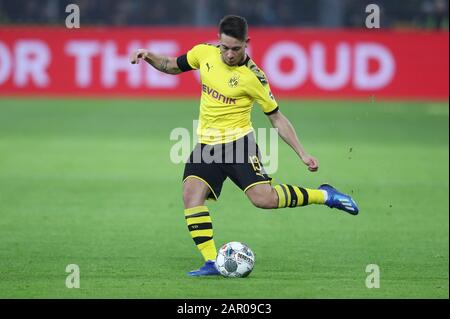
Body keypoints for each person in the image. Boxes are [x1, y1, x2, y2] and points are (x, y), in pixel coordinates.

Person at [130, 15, 359, 277]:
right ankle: (211, 262)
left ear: (247, 43)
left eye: (236, 49)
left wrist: (302, 153)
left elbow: (276, 117)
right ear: (218, 40)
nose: (229, 54)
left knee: (264, 199)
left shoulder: (254, 78)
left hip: (239, 144)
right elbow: (172, 64)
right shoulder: (203, 53)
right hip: (207, 144)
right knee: (191, 195)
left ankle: (325, 195)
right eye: (225, 47)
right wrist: (149, 56)